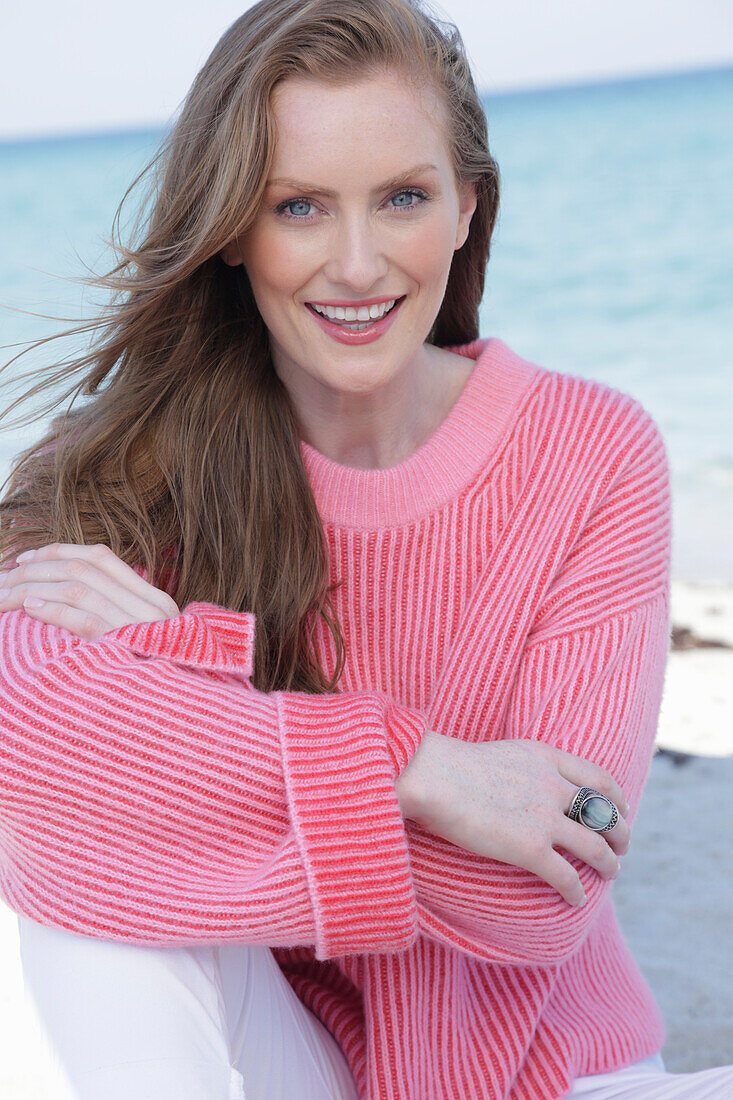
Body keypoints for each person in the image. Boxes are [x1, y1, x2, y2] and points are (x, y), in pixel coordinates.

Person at [0, 0, 731, 1097]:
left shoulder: (592, 450)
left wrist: (193, 675)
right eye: (298, 206)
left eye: (401, 197)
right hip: (292, 1058)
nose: (355, 263)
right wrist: (420, 769)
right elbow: (39, 754)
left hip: (554, 1070)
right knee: (93, 912)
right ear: (236, 231)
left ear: (464, 207)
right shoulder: (124, 468)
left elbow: (547, 887)